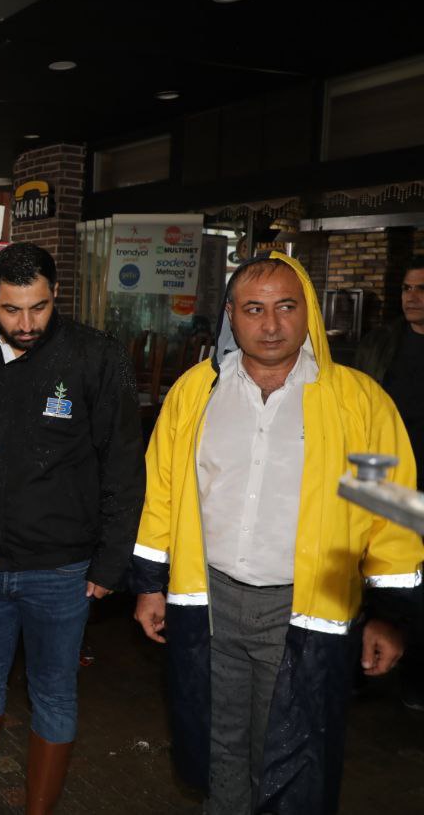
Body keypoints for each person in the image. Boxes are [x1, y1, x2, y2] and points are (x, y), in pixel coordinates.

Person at [132, 254, 423, 814]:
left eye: (286, 307)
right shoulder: (196, 393)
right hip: (209, 601)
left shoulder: (359, 402)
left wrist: (390, 616)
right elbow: (162, 494)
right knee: (218, 751)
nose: (270, 325)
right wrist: (150, 584)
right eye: (254, 309)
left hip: (305, 611)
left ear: (307, 311)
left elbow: (392, 517)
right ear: (231, 317)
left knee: (291, 759)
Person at [0, 243, 145, 815]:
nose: (27, 324)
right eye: (12, 310)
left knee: (53, 691)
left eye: (40, 308)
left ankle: (40, 807)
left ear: (55, 297)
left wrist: (110, 563)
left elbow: (123, 465)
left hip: (63, 569)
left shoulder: (97, 357)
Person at [355, 254, 424, 708]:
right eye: (406, 289)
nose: (412, 297)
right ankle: (378, 667)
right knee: (388, 579)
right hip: (393, 482)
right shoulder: (382, 344)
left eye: (421, 289)